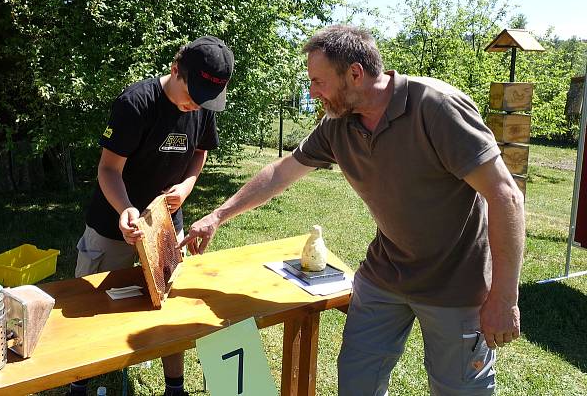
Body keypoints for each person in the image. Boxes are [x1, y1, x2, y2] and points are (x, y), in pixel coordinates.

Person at [180, 25, 525, 395]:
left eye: (318, 81)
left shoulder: (436, 107)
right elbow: (280, 173)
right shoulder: (337, 125)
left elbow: (505, 196)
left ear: (355, 74)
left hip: (457, 284)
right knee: (358, 383)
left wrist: (504, 298)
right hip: (385, 276)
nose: (312, 92)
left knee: (459, 390)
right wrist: (218, 215)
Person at [70, 36, 234, 396]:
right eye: (193, 95)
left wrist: (187, 187)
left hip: (164, 221)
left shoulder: (203, 105)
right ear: (176, 69)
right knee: (89, 307)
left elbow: (199, 155)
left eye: (206, 99)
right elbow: (108, 170)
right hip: (115, 221)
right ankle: (78, 384)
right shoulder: (136, 103)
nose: (196, 106)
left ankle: (175, 388)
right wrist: (126, 209)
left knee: (166, 301)